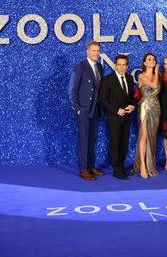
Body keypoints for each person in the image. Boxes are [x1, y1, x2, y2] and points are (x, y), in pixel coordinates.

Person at [69, 41, 105, 181]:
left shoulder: (100, 67)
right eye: (94, 50)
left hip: (95, 109)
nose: (96, 53)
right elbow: (72, 91)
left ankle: (91, 166)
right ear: (87, 52)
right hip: (84, 110)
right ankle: (83, 169)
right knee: (84, 139)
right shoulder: (80, 67)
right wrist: (77, 109)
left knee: (92, 139)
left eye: (98, 51)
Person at [99, 54, 136, 180]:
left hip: (127, 117)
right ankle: (116, 169)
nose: (121, 67)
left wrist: (133, 105)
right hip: (114, 117)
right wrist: (116, 110)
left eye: (124, 65)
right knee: (115, 142)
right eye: (119, 64)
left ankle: (121, 164)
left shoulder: (130, 78)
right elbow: (102, 100)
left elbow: (132, 98)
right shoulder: (108, 79)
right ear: (115, 65)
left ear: (127, 66)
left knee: (124, 142)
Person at [133, 53, 160, 179]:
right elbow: (154, 86)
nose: (152, 61)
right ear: (144, 63)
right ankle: (143, 165)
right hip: (144, 106)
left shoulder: (157, 75)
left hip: (156, 107)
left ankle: (150, 165)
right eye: (149, 59)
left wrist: (156, 73)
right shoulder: (141, 75)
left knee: (152, 136)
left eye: (153, 59)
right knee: (143, 136)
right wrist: (157, 71)